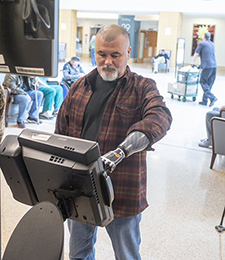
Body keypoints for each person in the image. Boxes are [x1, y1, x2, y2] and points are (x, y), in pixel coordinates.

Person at [55, 24, 172, 260]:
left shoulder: (142, 87)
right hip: (80, 190)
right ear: (94, 52)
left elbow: (160, 116)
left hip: (121, 191)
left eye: (115, 55)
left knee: (126, 255)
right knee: (78, 254)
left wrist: (120, 152)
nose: (107, 61)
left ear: (128, 52)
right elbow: (60, 134)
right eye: (102, 54)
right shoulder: (79, 87)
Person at [192, 32, 217, 107]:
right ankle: (204, 100)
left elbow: (196, 54)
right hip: (214, 66)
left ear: (204, 37)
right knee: (209, 83)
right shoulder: (213, 44)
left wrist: (193, 63)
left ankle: (212, 97)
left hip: (207, 66)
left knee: (203, 82)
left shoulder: (202, 44)